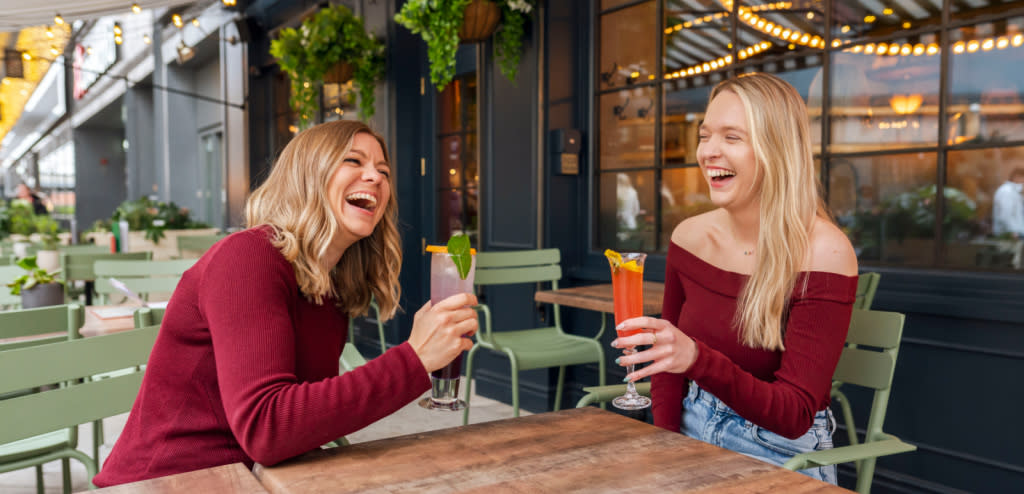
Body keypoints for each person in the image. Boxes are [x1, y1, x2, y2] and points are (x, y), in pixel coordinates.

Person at [93, 121, 479, 486]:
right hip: (167, 481)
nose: (376, 177)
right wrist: (412, 359)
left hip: (255, 478)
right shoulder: (248, 257)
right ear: (307, 175)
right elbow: (267, 428)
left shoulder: (330, 285)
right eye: (353, 161)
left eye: (384, 170)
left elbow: (300, 424)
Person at [612, 73, 858, 484]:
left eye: (732, 137)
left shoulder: (825, 252)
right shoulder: (689, 237)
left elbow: (795, 414)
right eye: (705, 135)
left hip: (779, 450)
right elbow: (668, 372)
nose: (708, 151)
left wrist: (696, 358)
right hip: (690, 429)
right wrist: (662, 450)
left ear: (776, 150)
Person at [991, 167, 1024, 238]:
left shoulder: (1015, 192)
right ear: (1017, 177)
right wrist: (1012, 232)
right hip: (1010, 235)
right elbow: (1005, 215)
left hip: (1017, 233)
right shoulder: (1007, 191)